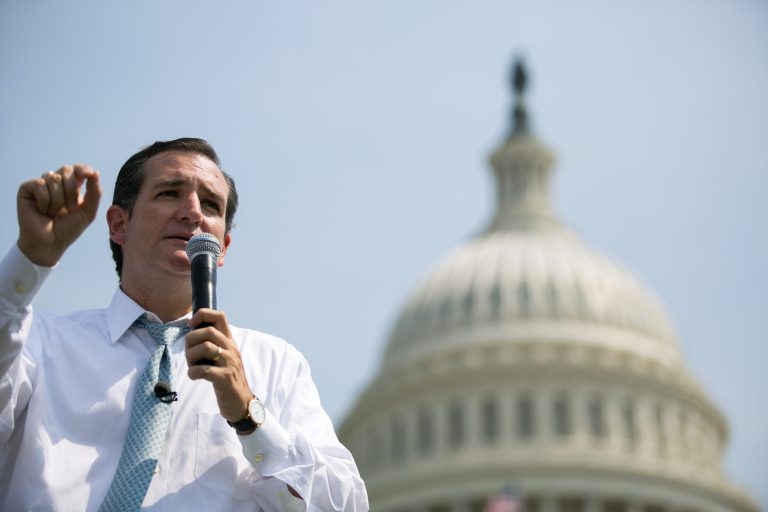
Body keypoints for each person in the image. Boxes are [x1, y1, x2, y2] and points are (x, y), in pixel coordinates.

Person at [0, 138, 368, 511]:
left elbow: (343, 503)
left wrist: (249, 416)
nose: (192, 211)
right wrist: (30, 260)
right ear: (118, 224)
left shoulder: (275, 364)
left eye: (210, 204)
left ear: (222, 247)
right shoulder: (40, 343)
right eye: (169, 193)